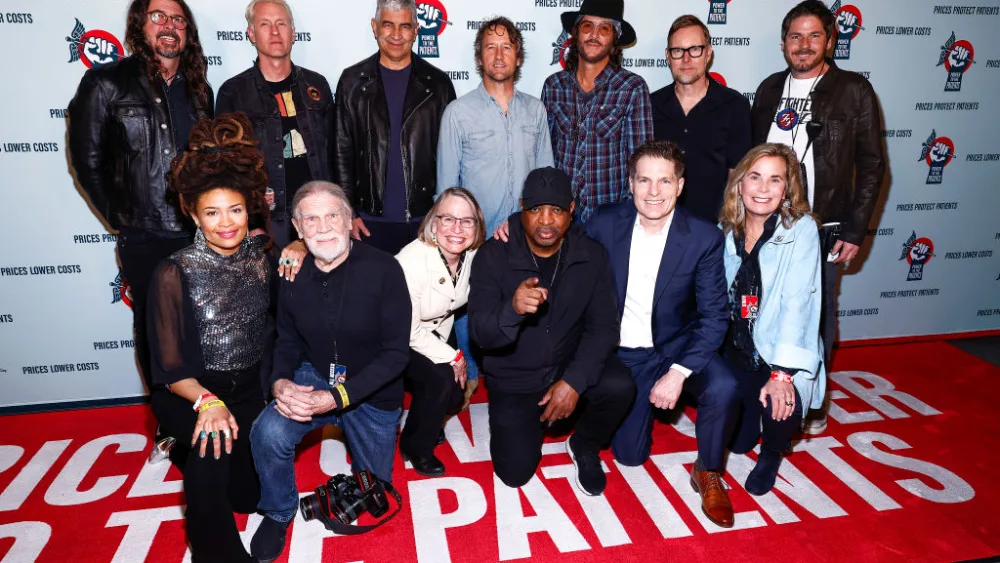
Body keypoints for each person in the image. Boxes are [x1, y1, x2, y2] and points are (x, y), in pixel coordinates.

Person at [249, 181, 410, 563]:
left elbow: (395, 356)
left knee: (376, 491)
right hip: (317, 374)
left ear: (349, 219)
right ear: (298, 229)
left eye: (332, 216)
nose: (323, 227)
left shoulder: (385, 269)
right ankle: (277, 510)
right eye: (311, 219)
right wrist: (281, 381)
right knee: (268, 431)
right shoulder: (290, 273)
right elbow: (286, 341)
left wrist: (336, 398)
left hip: (372, 390)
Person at [586, 140, 737, 528]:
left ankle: (709, 471)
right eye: (645, 181)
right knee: (630, 457)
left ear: (680, 185)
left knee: (722, 386)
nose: (654, 192)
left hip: (677, 346)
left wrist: (678, 372)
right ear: (631, 183)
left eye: (665, 182)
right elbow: (567, 267)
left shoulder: (704, 237)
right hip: (627, 354)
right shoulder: (603, 224)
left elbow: (715, 315)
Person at [750, 0, 885, 434]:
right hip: (769, 221)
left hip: (824, 225)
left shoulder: (853, 90)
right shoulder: (770, 88)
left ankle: (811, 402)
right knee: (765, 306)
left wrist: (855, 227)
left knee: (817, 312)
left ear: (830, 40)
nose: (803, 45)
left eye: (813, 36)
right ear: (783, 42)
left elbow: (872, 165)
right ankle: (766, 386)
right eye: (795, 36)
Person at [68, 0, 213, 390]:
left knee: (202, 330)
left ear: (188, 32)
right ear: (139, 25)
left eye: (178, 19)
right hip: (145, 236)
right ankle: (167, 428)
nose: (169, 25)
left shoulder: (200, 90)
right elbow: (86, 162)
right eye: (158, 17)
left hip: (201, 234)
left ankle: (204, 416)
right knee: (156, 334)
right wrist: (123, 218)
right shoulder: (105, 83)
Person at [146, 113, 271, 563]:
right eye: (213, 212)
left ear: (248, 210)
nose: (226, 223)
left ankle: (192, 451)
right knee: (209, 457)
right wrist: (207, 403)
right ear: (193, 214)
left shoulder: (261, 256)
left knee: (249, 496)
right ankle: (216, 553)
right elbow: (171, 368)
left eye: (235, 210)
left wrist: (295, 246)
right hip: (192, 393)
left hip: (250, 389)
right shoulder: (173, 272)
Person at [468, 167, 635, 496]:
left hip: (567, 364)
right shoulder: (492, 255)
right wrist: (512, 310)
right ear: (521, 208)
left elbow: (603, 329)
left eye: (556, 210)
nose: (545, 221)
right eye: (535, 210)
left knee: (620, 385)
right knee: (514, 473)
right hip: (515, 377)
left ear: (571, 210)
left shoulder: (592, 256)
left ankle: (584, 444)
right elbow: (480, 335)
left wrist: (574, 381)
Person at [436, 16, 555, 403]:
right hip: (475, 235)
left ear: (518, 56)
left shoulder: (536, 111)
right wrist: (460, 233)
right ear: (479, 56)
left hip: (524, 233)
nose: (499, 54)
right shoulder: (458, 113)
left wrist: (524, 221)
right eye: (490, 46)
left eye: (506, 46)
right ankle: (469, 372)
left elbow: (545, 179)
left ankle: (515, 376)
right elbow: (446, 187)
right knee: (472, 306)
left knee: (524, 301)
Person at [719, 143, 824, 496]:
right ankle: (748, 416)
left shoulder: (801, 230)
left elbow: (798, 306)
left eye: (775, 180)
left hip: (778, 350)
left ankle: (771, 454)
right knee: (736, 439)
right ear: (740, 183)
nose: (763, 189)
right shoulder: (725, 229)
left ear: (787, 188)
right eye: (755, 177)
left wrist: (782, 374)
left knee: (782, 404)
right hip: (737, 349)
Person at [216, 0, 335, 278]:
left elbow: (334, 153)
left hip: (318, 216)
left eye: (281, 24)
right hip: (268, 222)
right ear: (251, 34)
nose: (274, 32)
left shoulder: (316, 85)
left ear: (293, 32)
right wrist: (253, 216)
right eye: (265, 24)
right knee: (274, 307)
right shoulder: (233, 93)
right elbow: (227, 167)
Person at [335, 0, 457, 255]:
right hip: (367, 222)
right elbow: (341, 152)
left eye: (405, 26)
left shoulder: (438, 84)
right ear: (374, 27)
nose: (396, 35)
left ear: (416, 30)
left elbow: (452, 157)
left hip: (424, 221)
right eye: (388, 25)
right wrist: (348, 212)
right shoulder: (352, 82)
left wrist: (444, 215)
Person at [396, 188, 486, 476]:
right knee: (440, 380)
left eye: (466, 221)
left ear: (477, 226)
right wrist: (455, 355)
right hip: (397, 336)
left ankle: (429, 418)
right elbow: (409, 332)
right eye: (448, 219)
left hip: (436, 331)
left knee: (454, 397)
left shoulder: (473, 255)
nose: (457, 229)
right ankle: (415, 446)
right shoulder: (410, 261)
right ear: (433, 223)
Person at [541, 0, 653, 222]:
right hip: (561, 219)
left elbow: (642, 163)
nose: (594, 34)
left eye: (604, 28)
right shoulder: (553, 86)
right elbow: (544, 154)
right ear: (576, 33)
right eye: (587, 26)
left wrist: (625, 216)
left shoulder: (632, 88)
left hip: (612, 218)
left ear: (614, 39)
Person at [650, 15, 751, 222]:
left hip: (715, 229)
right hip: (659, 224)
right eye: (678, 51)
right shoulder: (650, 105)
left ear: (708, 53)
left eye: (695, 49)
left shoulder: (734, 105)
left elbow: (738, 176)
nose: (686, 59)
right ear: (668, 56)